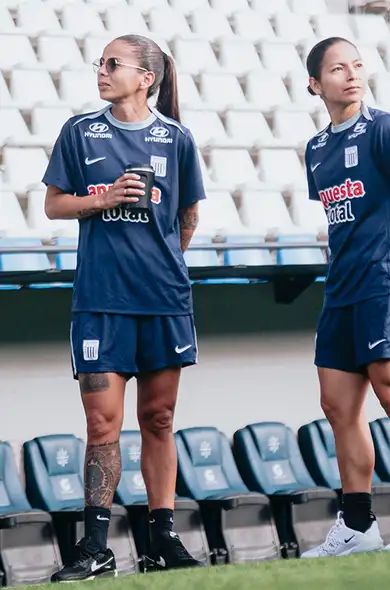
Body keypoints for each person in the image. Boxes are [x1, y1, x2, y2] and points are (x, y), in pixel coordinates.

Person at [42, 35, 206, 581]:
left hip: (163, 302)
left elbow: (187, 218)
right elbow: (54, 205)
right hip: (100, 302)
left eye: (114, 63)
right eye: (101, 62)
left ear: (146, 78)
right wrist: (103, 199)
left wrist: (159, 265)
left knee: (159, 420)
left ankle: (162, 541)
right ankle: (96, 549)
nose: (103, 70)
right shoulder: (79, 132)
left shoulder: (176, 139)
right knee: (101, 423)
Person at [298, 37, 390, 558]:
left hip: (387, 285)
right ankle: (358, 527)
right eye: (338, 69)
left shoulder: (386, 129)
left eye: (357, 66)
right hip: (341, 289)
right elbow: (344, 219)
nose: (351, 75)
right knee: (337, 406)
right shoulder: (316, 149)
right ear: (315, 84)